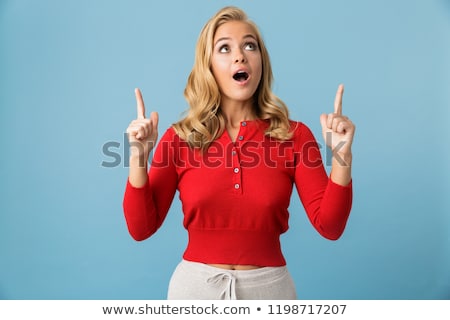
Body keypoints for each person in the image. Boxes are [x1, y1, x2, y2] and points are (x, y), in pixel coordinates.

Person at [123, 6, 355, 300]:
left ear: (261, 62)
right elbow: (140, 228)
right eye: (224, 48)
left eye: (250, 45)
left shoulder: (295, 136)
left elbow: (330, 226)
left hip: (271, 292)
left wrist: (341, 157)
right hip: (194, 292)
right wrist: (137, 157)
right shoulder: (179, 138)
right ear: (208, 65)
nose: (240, 55)